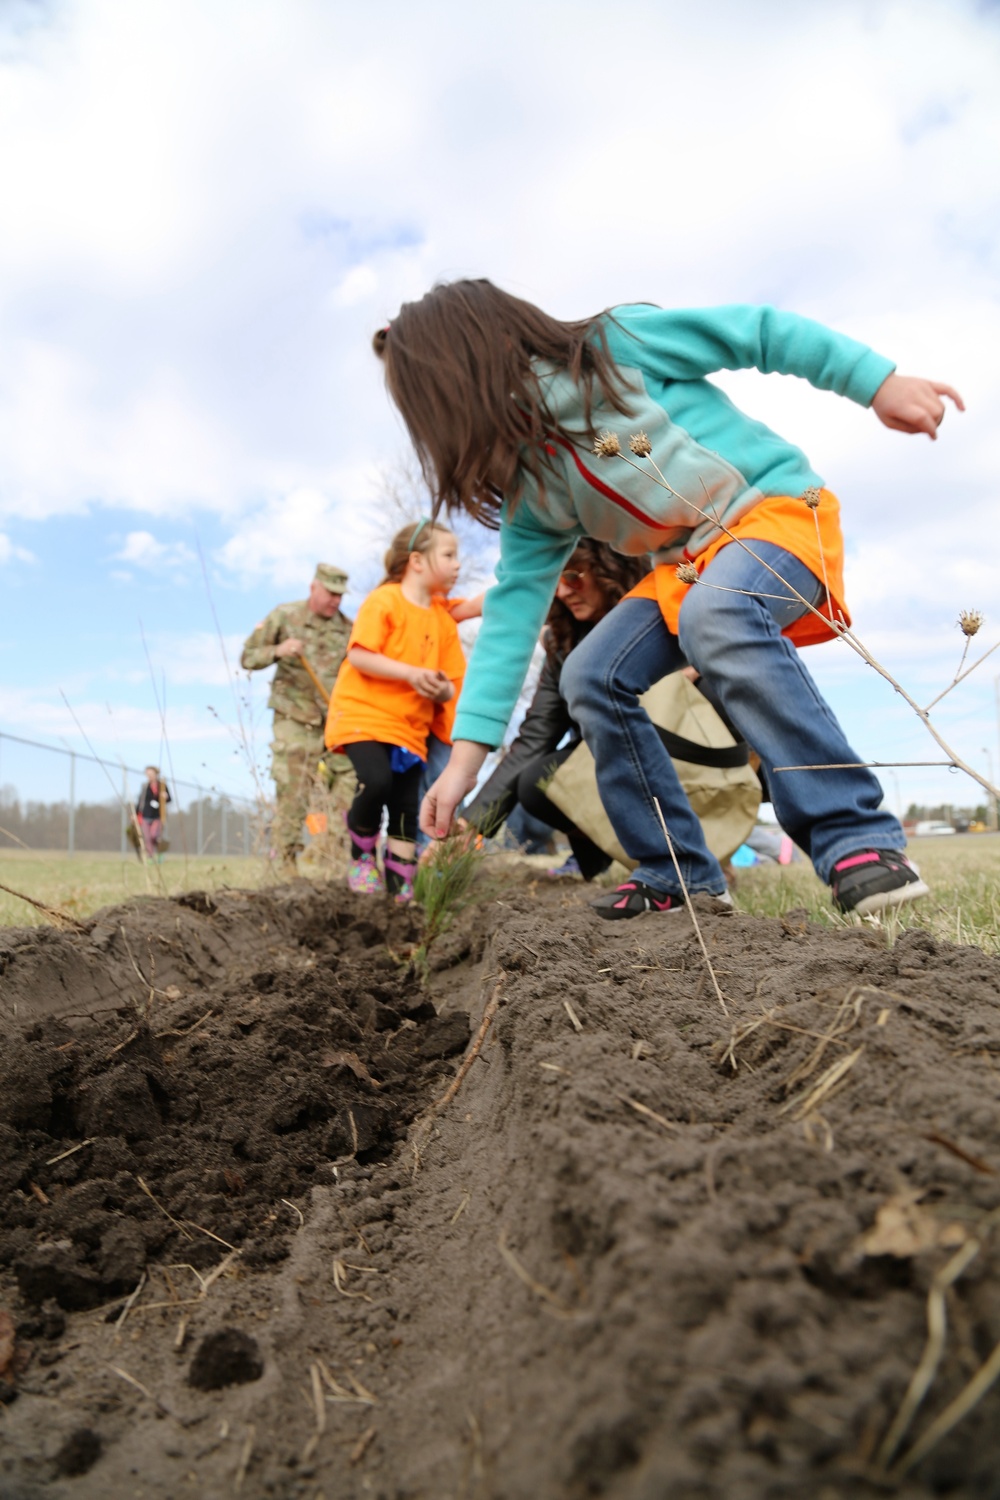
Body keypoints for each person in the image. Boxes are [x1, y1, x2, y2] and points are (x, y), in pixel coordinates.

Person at [373, 280, 964, 920]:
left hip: (774, 514)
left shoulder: (615, 348)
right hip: (684, 570)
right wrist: (462, 767)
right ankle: (676, 871)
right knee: (591, 674)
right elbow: (512, 620)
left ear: (464, 374)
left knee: (719, 608)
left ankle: (858, 842)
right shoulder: (532, 489)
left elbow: (759, 331)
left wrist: (876, 383)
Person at [463, 539, 648, 879]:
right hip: (606, 752)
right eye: (556, 583)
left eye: (574, 577)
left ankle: (704, 851)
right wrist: (470, 826)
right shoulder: (562, 642)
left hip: (677, 742)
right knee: (539, 780)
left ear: (611, 569)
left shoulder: (658, 607)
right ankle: (594, 859)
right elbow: (536, 735)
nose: (564, 592)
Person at [325, 520, 467, 903]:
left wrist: (442, 689)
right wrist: (412, 673)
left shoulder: (442, 621)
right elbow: (358, 654)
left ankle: (399, 889)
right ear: (417, 561)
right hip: (363, 717)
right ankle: (361, 858)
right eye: (449, 555)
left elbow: (455, 682)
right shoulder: (384, 600)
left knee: (407, 806)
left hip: (410, 729)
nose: (458, 565)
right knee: (377, 782)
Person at [241, 563, 352, 876]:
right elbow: (247, 657)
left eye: (341, 595)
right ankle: (286, 863)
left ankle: (334, 856)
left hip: (334, 720)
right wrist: (279, 649)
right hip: (294, 716)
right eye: (330, 593)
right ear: (313, 587)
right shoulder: (285, 616)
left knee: (352, 783)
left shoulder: (349, 629)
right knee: (294, 787)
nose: (335, 601)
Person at [135, 766, 171, 858]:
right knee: (147, 838)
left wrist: (165, 796)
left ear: (156, 774)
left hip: (157, 816)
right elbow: (140, 801)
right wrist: (135, 814)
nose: (149, 776)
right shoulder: (145, 786)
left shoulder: (162, 786)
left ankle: (160, 852)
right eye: (148, 774)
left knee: (154, 836)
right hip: (145, 815)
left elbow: (169, 799)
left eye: (151, 774)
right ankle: (150, 856)